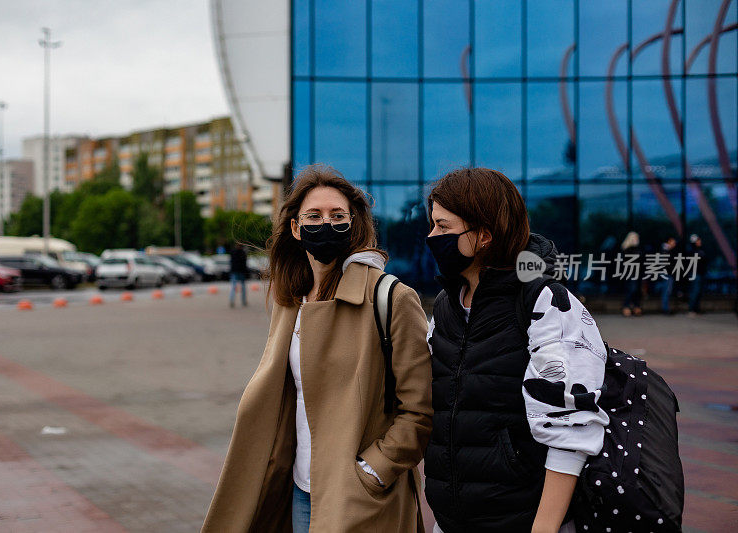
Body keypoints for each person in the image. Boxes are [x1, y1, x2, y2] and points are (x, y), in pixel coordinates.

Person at [201, 164, 433, 533]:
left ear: (353, 223)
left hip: (360, 496)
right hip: (299, 488)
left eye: (337, 215)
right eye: (314, 215)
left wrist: (373, 471)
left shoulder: (391, 298)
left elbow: (419, 411)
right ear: (296, 227)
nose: (326, 224)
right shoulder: (290, 300)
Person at [423, 168, 609, 533]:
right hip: (452, 521)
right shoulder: (447, 305)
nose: (432, 236)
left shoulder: (545, 301)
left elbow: (571, 430)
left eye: (444, 227)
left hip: (524, 521)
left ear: (484, 235)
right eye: (432, 225)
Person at [620, 231, 643, 316]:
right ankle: (628, 307)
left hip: (637, 273)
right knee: (631, 290)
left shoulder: (637, 249)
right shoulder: (626, 249)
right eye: (636, 238)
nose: (637, 240)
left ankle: (635, 307)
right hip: (630, 273)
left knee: (636, 291)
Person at [687, 234, 707, 315]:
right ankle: (692, 309)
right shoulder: (693, 252)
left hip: (700, 274)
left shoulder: (700, 251)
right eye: (698, 240)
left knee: (698, 292)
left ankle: (696, 309)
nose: (700, 241)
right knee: (695, 291)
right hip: (695, 274)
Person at [661, 236, 678, 314]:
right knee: (666, 291)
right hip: (667, 273)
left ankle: (666, 308)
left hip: (668, 273)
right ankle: (665, 308)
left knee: (667, 291)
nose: (674, 244)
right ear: (669, 242)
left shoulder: (667, 250)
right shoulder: (665, 251)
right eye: (673, 242)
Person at [229, 242, 249, 307]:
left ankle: (232, 300)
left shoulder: (233, 252)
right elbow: (245, 264)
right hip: (242, 272)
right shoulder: (243, 253)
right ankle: (243, 301)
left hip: (234, 271)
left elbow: (231, 262)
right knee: (243, 287)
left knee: (233, 287)